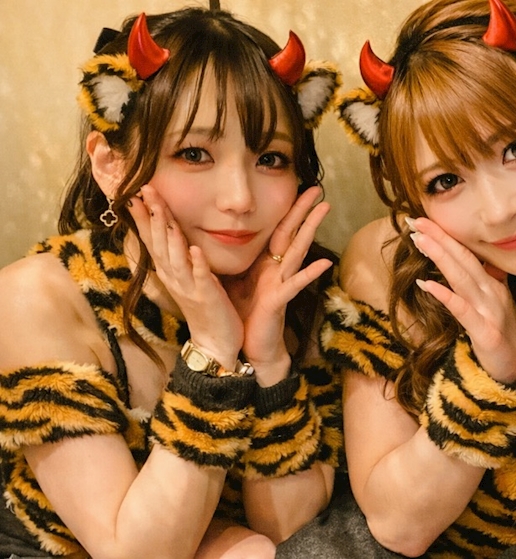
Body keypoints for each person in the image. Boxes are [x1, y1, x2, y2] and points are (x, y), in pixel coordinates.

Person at [0, 8, 342, 558]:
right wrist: (211, 350)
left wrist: (269, 358)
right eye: (194, 154)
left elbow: (293, 536)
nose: (240, 199)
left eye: (271, 158)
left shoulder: (296, 291)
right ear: (111, 164)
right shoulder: (38, 298)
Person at [322, 0, 516, 556]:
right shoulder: (394, 264)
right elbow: (397, 524)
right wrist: (492, 377)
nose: (497, 210)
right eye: (445, 181)